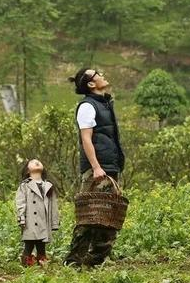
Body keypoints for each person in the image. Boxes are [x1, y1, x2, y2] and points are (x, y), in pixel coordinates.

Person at [64, 68, 125, 267]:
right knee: (89, 215)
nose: (102, 74)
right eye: (97, 73)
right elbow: (86, 139)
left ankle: (94, 261)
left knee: (110, 216)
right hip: (97, 168)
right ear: (91, 84)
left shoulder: (105, 103)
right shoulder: (87, 106)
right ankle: (74, 261)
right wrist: (96, 167)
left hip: (111, 165)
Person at [15, 159, 59, 267]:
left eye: (39, 161)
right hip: (30, 220)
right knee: (29, 244)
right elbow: (20, 202)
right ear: (27, 170)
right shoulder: (24, 185)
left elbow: (53, 206)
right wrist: (21, 217)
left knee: (41, 244)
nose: (37, 162)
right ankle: (26, 264)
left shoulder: (48, 186)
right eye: (33, 162)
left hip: (43, 221)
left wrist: (54, 222)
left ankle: (41, 262)